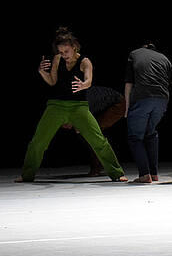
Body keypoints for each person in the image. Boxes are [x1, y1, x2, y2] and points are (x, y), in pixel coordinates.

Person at [17, 27, 127, 183]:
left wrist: (84, 84)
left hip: (79, 107)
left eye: (66, 52)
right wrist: (42, 72)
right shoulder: (57, 59)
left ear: (74, 47)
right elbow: (52, 81)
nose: (64, 55)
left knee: (98, 140)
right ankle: (27, 175)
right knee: (38, 142)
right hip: (56, 106)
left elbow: (89, 79)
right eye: (61, 52)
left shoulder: (85, 61)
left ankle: (116, 173)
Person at [124, 42, 172, 183]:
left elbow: (129, 83)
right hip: (162, 99)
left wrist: (127, 107)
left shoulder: (134, 53)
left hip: (142, 97)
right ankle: (154, 173)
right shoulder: (165, 59)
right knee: (150, 133)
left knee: (135, 137)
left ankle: (144, 174)